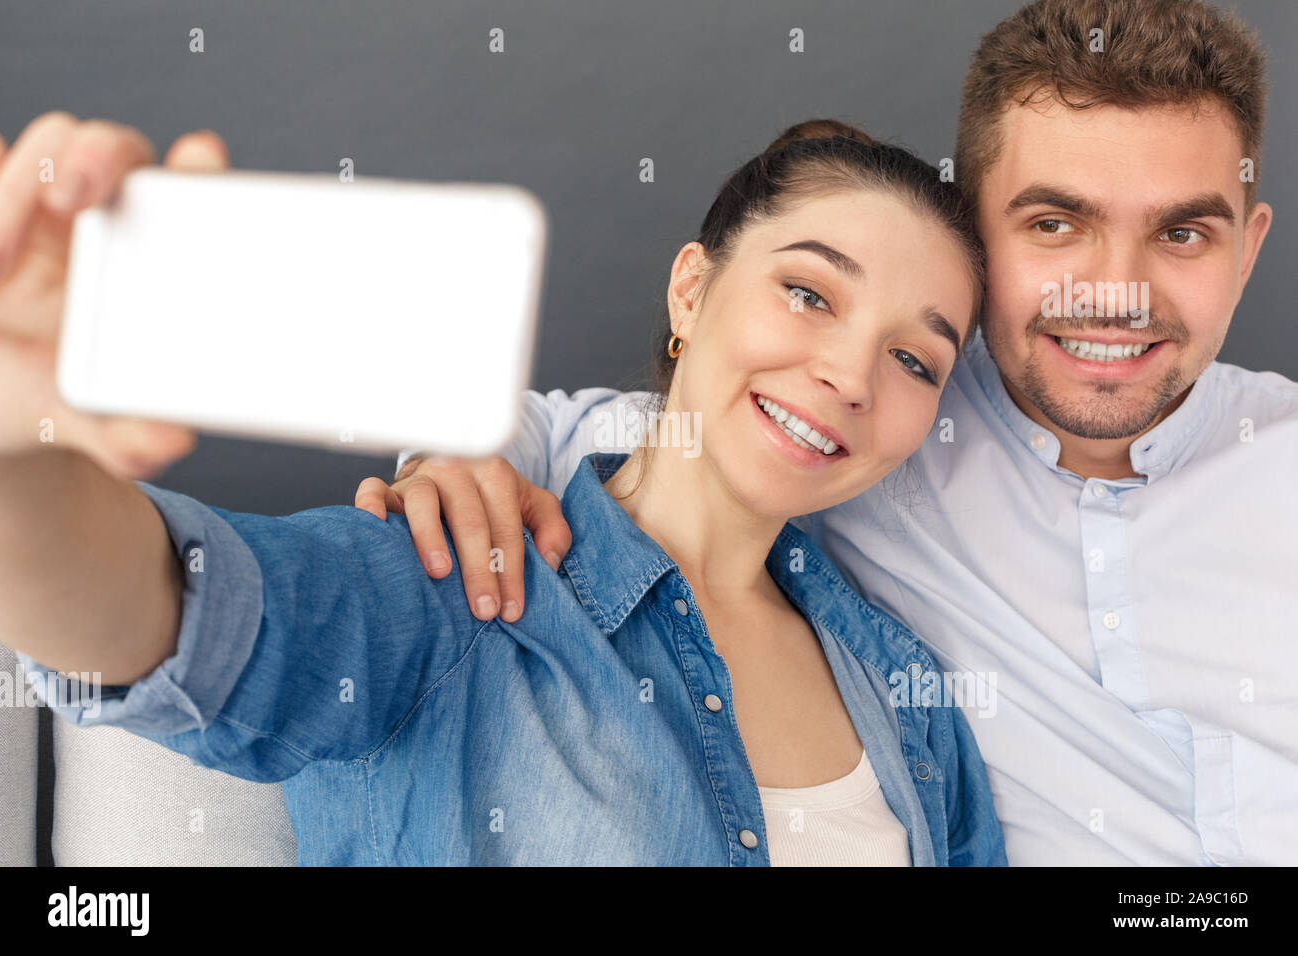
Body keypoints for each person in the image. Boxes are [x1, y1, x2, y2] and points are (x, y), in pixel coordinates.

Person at [363, 0, 1295, 865]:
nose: (1115, 292)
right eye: (1055, 223)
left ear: (1248, 248)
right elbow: (604, 430)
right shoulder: (879, 417)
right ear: (974, 240)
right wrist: (452, 457)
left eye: (1182, 236)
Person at [0, 112, 1005, 864]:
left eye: (914, 359)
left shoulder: (900, 684)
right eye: (807, 291)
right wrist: (22, 450)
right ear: (691, 290)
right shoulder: (455, 583)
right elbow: (164, 622)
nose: (850, 375)